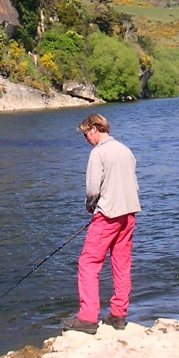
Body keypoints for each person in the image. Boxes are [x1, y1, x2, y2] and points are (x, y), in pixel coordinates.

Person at [60, 113, 140, 335]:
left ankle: (87, 318)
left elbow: (92, 189)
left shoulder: (99, 153)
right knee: (121, 264)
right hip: (129, 213)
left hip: (107, 215)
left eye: (86, 134)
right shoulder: (126, 150)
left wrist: (89, 205)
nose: (86, 139)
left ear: (95, 129)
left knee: (88, 264)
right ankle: (118, 314)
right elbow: (133, 183)